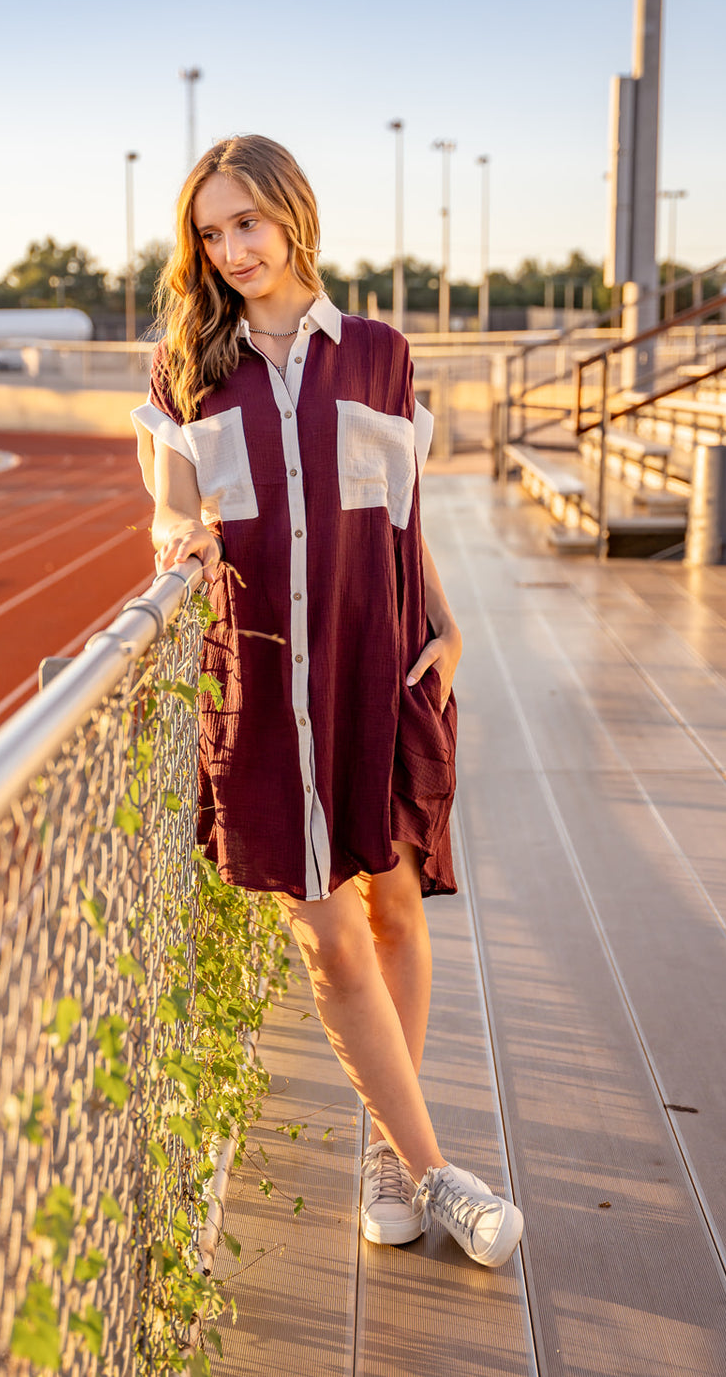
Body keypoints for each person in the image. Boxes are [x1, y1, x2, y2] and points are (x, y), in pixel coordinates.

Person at [131, 134, 523, 1269]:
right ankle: (434, 1171)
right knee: (330, 942)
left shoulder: (382, 356)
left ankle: (385, 1151)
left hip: (375, 664)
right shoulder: (182, 371)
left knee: (395, 912)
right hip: (259, 692)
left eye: (246, 223)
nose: (231, 250)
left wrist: (448, 621)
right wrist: (181, 536)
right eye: (210, 233)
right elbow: (167, 522)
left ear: (292, 215)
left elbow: (399, 515)